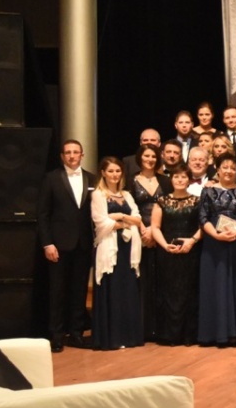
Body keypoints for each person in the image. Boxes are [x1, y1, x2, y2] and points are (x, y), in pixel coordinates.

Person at [37, 139, 96, 351]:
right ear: (62, 156)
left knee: (79, 291)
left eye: (75, 152)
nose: (72, 156)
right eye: (68, 152)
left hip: (84, 244)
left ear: (82, 155)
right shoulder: (51, 178)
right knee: (57, 292)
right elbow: (43, 214)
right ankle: (57, 335)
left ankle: (77, 333)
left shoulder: (92, 178)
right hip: (59, 245)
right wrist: (47, 243)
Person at [198, 152, 236, 346]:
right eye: (225, 167)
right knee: (217, 285)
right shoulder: (207, 191)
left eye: (233, 168)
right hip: (214, 245)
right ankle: (217, 333)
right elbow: (203, 218)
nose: (229, 171)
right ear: (217, 169)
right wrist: (216, 235)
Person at [90, 157, 144, 350]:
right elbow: (100, 222)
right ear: (103, 173)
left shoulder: (127, 195)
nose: (114, 175)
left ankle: (128, 337)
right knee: (111, 288)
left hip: (128, 248)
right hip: (109, 249)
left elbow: (138, 219)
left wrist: (118, 217)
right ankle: (111, 338)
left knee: (126, 289)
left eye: (118, 171)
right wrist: (124, 221)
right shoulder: (98, 195)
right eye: (111, 171)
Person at [149, 164, 201, 345]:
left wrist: (191, 241)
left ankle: (189, 335)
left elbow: (203, 226)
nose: (180, 180)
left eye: (183, 177)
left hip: (191, 250)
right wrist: (165, 245)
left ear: (189, 180)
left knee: (189, 291)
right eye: (176, 177)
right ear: (171, 179)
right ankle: (169, 335)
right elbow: (155, 227)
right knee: (168, 291)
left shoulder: (197, 200)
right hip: (167, 250)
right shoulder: (162, 201)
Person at [129, 143, 169, 341]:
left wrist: (155, 232)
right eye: (146, 156)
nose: (150, 160)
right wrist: (143, 230)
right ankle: (143, 329)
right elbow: (129, 208)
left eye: (153, 156)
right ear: (140, 157)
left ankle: (160, 328)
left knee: (161, 281)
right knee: (142, 282)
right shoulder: (130, 181)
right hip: (139, 234)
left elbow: (170, 207)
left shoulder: (166, 181)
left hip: (161, 235)